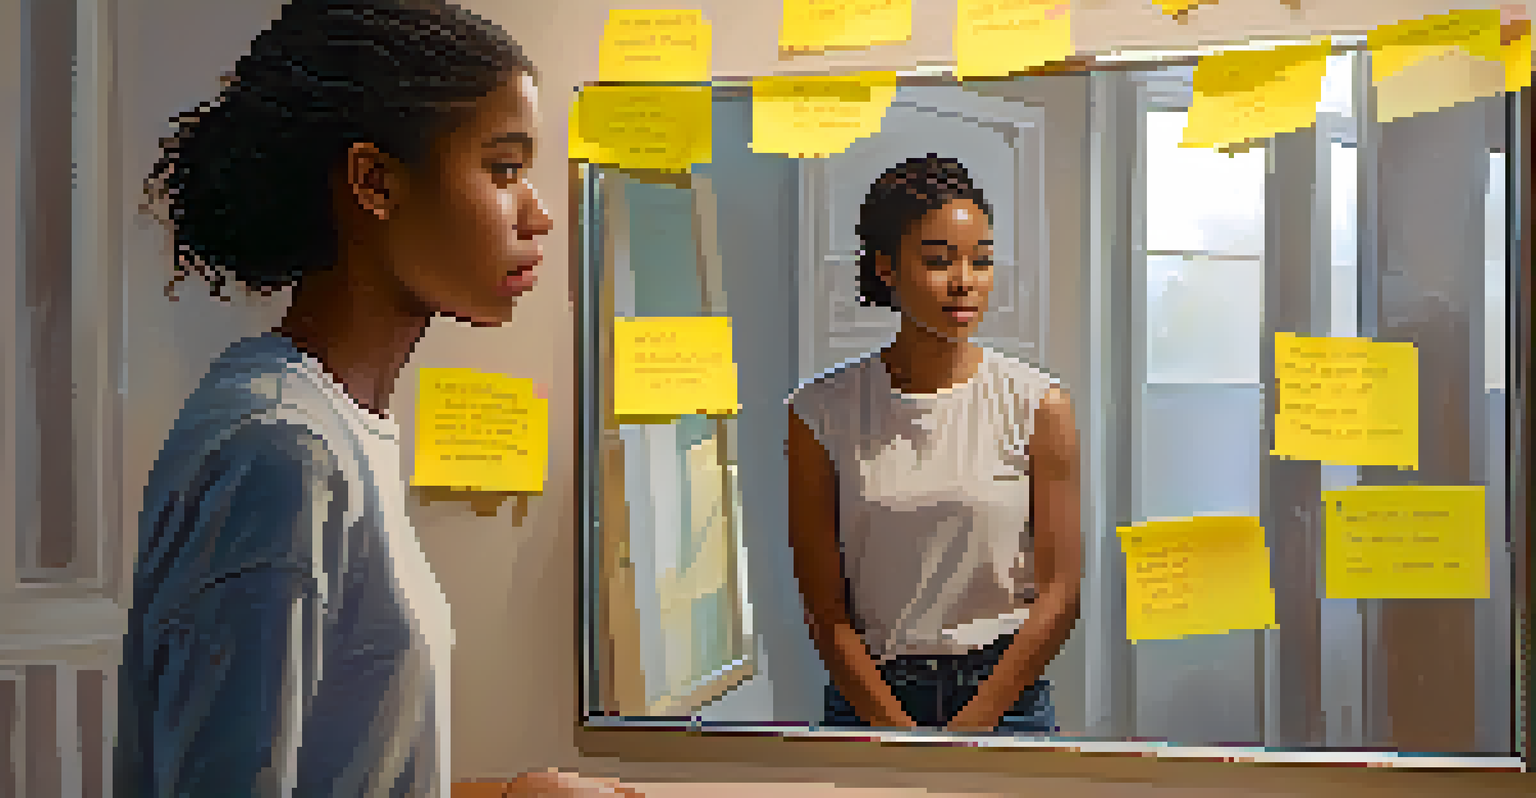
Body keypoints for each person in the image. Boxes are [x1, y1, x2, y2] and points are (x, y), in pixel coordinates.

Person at [116, 1, 640, 795]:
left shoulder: (332, 426)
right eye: (503, 169)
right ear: (375, 182)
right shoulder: (281, 450)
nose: (536, 215)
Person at [785, 154, 1083, 733]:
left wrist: (974, 724)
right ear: (887, 268)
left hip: (1005, 695)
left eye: (982, 260)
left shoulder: (1038, 404)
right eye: (938, 261)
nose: (964, 280)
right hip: (869, 695)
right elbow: (826, 611)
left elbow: (1060, 593)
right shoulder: (821, 411)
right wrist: (895, 730)